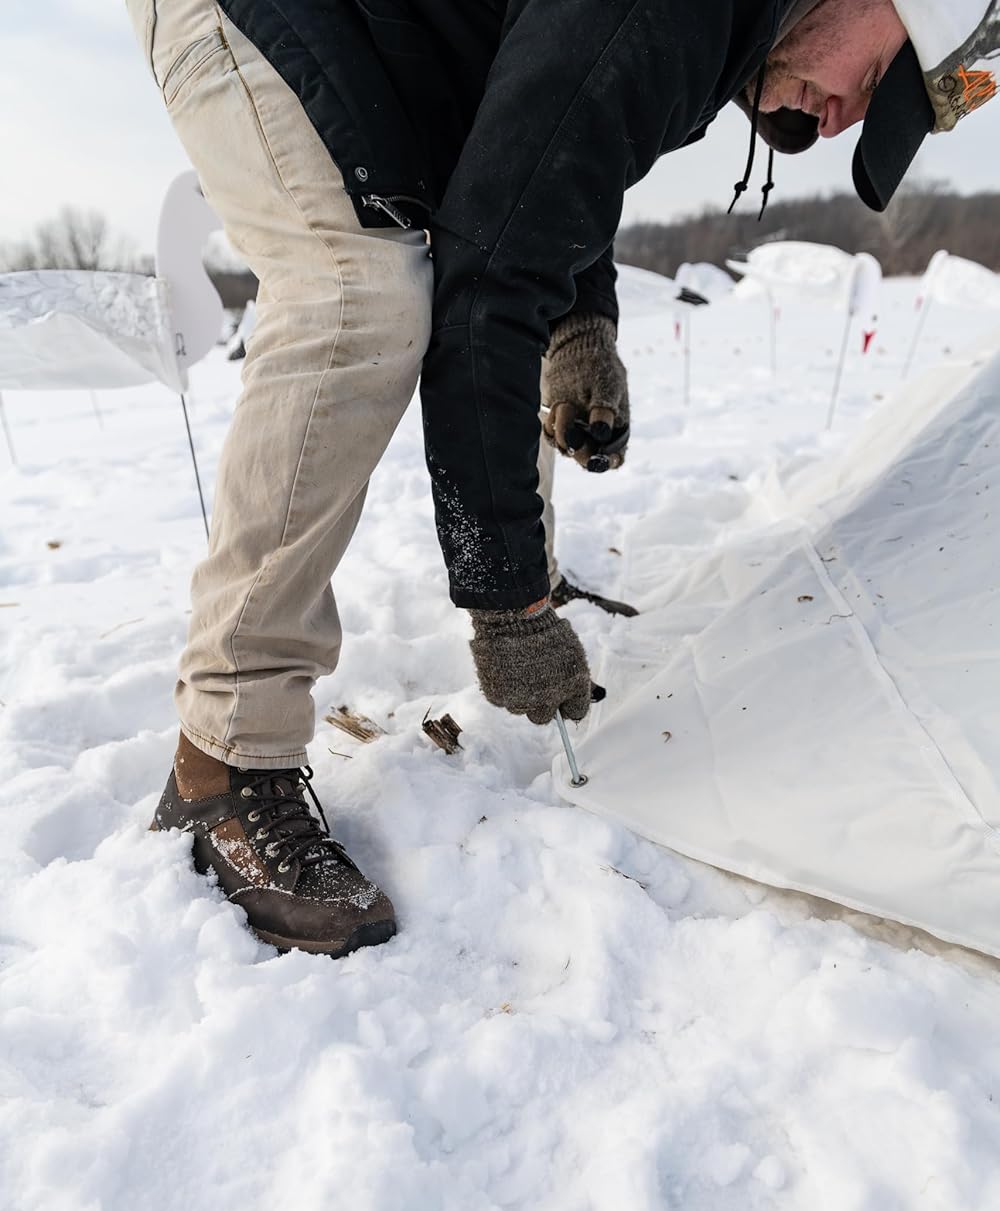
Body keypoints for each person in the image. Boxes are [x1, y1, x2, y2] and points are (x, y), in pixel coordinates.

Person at [126, 0, 997, 957]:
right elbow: (491, 282)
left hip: (383, 50)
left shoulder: (733, 29)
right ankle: (224, 754)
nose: (841, 121)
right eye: (877, 82)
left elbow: (544, 171)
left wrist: (584, 323)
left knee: (504, 301)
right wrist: (505, 603)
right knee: (360, 295)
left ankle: (527, 579)